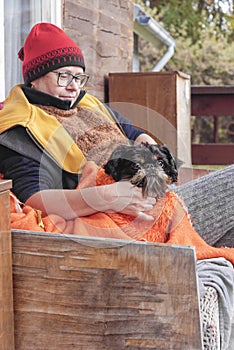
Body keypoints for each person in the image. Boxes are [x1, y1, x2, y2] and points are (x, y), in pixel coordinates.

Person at [0, 22, 233, 349]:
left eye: (79, 77)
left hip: (154, 201)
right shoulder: (18, 128)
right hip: (118, 222)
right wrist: (106, 196)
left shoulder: (87, 105)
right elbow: (34, 198)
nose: (73, 87)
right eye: (63, 76)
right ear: (35, 76)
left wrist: (146, 141)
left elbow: (128, 126)